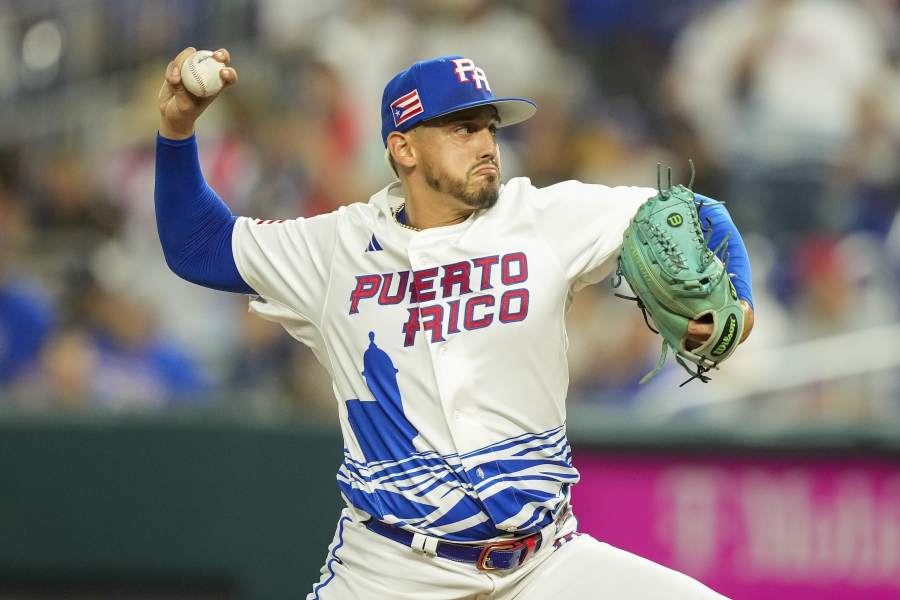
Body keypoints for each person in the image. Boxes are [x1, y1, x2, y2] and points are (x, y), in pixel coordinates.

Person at [155, 48, 754, 599]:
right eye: (463, 128)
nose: (487, 144)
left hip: (542, 566)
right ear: (404, 147)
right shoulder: (335, 249)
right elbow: (197, 243)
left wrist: (740, 303)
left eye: (490, 127)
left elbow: (691, 211)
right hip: (391, 572)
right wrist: (177, 132)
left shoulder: (542, 218)